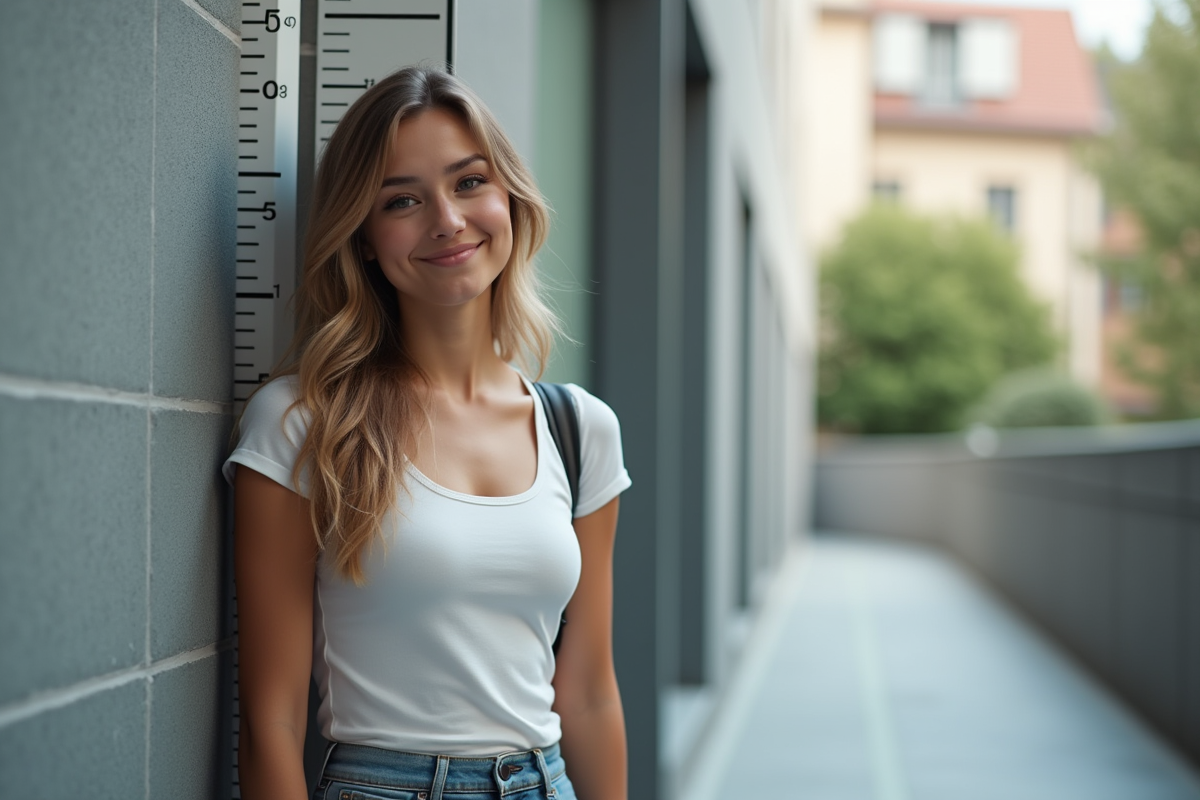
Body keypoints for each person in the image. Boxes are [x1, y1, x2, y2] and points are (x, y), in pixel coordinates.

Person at [223, 65, 631, 800]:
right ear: (364, 238)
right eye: (403, 200)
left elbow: (591, 695)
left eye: (470, 182)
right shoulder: (305, 421)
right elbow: (270, 722)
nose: (447, 220)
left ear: (510, 198)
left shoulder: (580, 430)